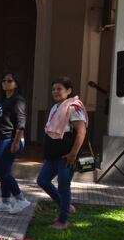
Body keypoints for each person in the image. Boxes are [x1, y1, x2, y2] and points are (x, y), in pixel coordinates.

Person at [36, 77, 87, 230]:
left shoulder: (73, 107)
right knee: (42, 180)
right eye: (53, 89)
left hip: (66, 155)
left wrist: (73, 154)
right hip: (52, 154)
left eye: (59, 89)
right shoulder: (55, 107)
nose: (55, 92)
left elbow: (81, 132)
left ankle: (63, 220)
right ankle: (66, 206)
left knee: (64, 186)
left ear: (69, 91)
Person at [0, 73, 31, 214]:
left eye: (9, 80)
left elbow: (21, 122)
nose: (5, 83)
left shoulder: (18, 100)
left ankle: (21, 200)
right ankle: (5, 202)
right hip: (3, 139)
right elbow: (3, 122)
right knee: (3, 172)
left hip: (12, 140)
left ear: (16, 83)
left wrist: (16, 141)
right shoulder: (1, 100)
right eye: (3, 80)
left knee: (1, 172)